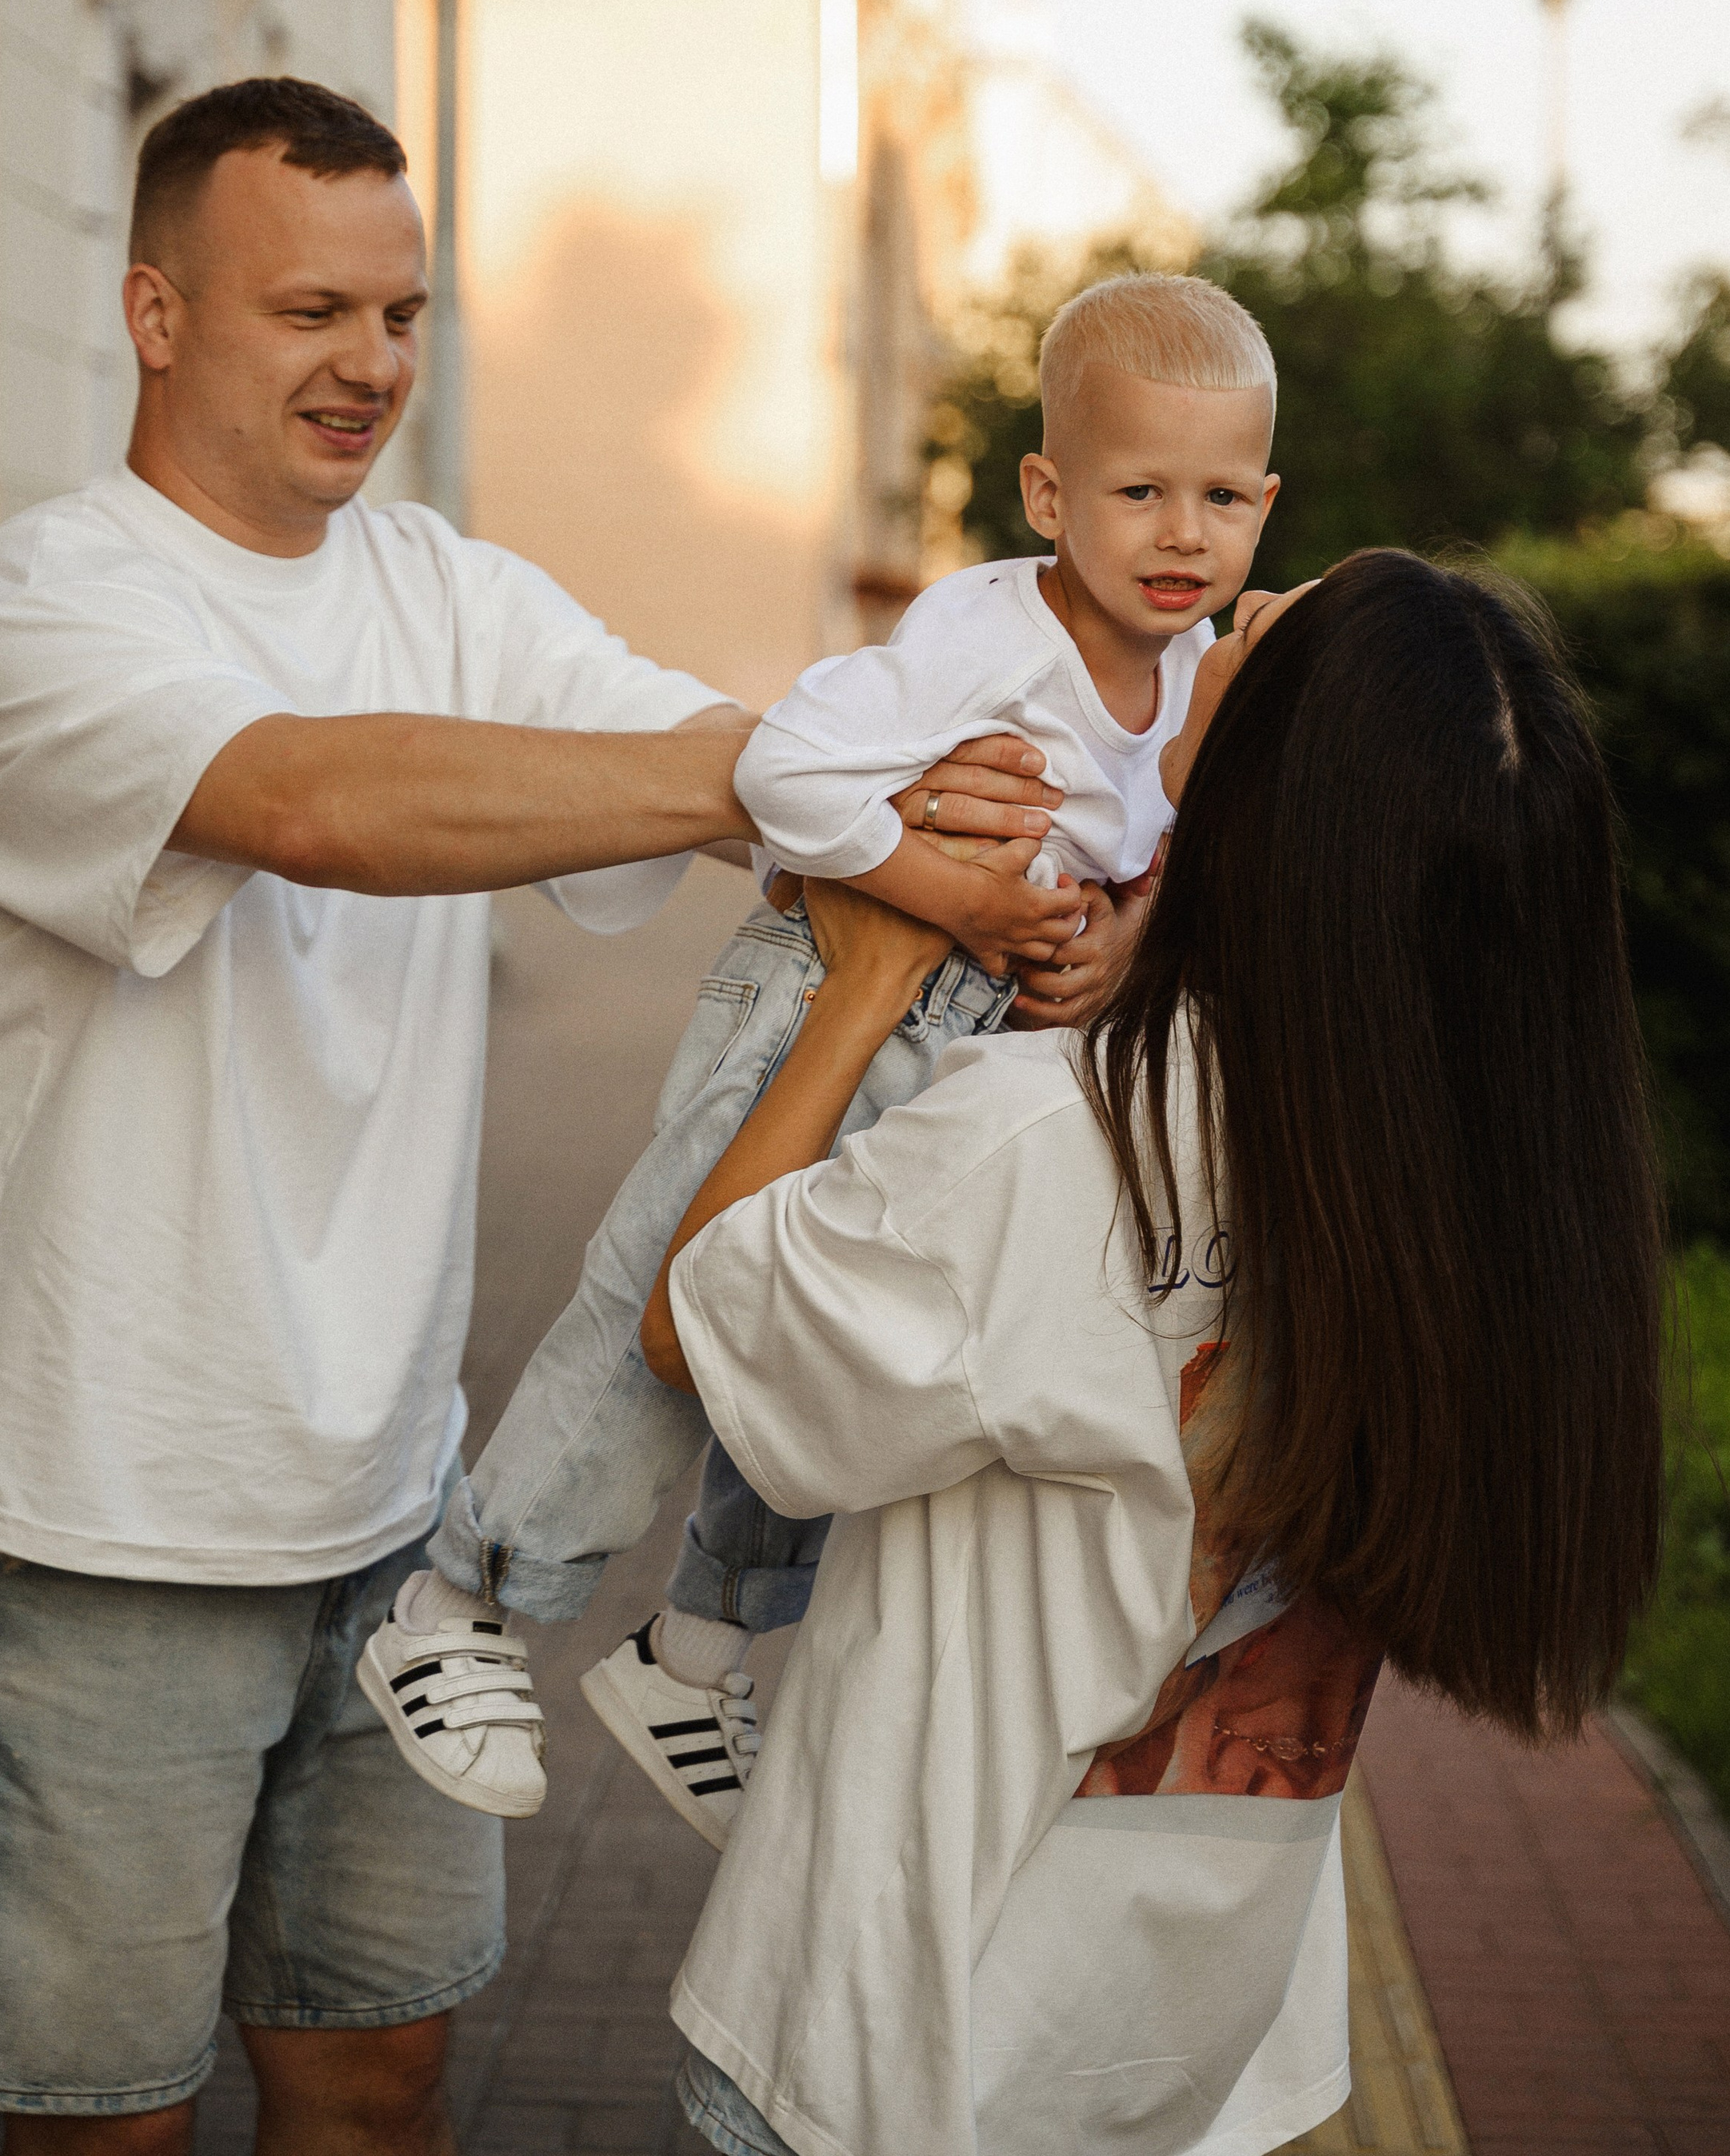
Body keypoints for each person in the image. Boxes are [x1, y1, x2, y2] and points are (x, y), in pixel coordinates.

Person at [0, 76, 1058, 2151]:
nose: (373, 364)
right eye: (310, 308)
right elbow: (317, 800)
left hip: (396, 1510)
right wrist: (794, 791)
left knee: (382, 2072)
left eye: (406, 313)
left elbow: (697, 735)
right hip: (93, 1517)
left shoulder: (452, 585)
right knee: (103, 2122)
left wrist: (961, 804)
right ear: (157, 313)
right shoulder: (39, 607)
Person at [641, 549, 1670, 2156]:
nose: (1203, 621)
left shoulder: (1063, 1140)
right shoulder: (1496, 1182)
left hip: (892, 2059)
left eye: (1245, 636)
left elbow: (699, 1321)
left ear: (1271, 796)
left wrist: (865, 980)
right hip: (1195, 2051)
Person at [359, 275, 1282, 1838]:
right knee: (660, 1300)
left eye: (1218, 498)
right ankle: (457, 1608)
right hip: (819, 994)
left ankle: (694, 1649)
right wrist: (933, 891)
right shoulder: (984, 633)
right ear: (1048, 494)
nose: (1180, 533)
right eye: (1136, 491)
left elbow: (1150, 855)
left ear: (1266, 503)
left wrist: (1108, 937)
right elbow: (783, 765)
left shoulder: (1188, 672)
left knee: (827, 1357)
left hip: (967, 1042)